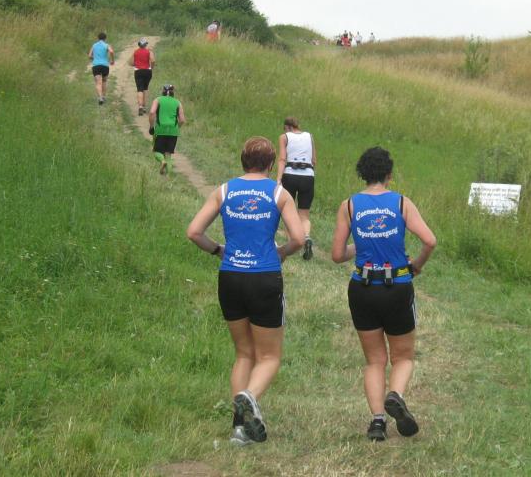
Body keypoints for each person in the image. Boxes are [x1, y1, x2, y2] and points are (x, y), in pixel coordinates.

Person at [187, 136, 305, 446]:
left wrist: (218, 250)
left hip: (230, 277)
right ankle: (250, 396)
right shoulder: (278, 193)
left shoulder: (224, 190)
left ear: (242, 160)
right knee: (270, 356)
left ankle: (239, 429)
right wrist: (281, 252)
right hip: (264, 277)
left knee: (243, 353)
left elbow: (194, 232)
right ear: (271, 163)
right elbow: (298, 238)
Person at [331, 147, 436, 442]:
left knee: (374, 360)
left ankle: (377, 422)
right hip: (397, 286)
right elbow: (429, 240)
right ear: (389, 174)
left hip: (362, 288)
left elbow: (337, 255)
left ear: (362, 174)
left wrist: (360, 246)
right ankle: (395, 394)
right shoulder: (401, 203)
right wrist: (416, 265)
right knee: (403, 356)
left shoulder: (349, 206)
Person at [276, 117, 317, 260]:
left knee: (289, 211)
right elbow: (314, 160)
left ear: (287, 127)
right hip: (308, 176)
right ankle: (306, 237)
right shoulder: (309, 136)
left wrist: (279, 179)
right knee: (304, 215)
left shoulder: (284, 137)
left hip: (290, 175)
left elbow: (282, 159)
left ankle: (292, 245)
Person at [148, 83, 185, 175]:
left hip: (160, 129)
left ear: (163, 91)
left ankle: (162, 161)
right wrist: (176, 128)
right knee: (168, 154)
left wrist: (151, 126)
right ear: (173, 92)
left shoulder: (158, 100)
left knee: (157, 151)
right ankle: (169, 176)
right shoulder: (178, 102)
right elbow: (182, 120)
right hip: (173, 131)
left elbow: (152, 112)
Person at [88, 32, 114, 105]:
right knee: (104, 81)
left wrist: (94, 58)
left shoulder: (94, 45)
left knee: (98, 82)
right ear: (105, 38)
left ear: (98, 38)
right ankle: (104, 97)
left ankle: (100, 97)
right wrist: (112, 60)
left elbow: (89, 56)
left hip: (96, 66)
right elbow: (111, 51)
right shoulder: (106, 45)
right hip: (105, 65)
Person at [132, 38, 156, 115]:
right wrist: (151, 67)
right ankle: (144, 107)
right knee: (145, 89)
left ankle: (140, 107)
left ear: (139, 45)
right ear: (145, 44)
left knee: (140, 89)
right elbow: (153, 60)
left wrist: (136, 63)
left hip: (138, 71)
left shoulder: (135, 52)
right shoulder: (149, 51)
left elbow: (131, 62)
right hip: (147, 71)